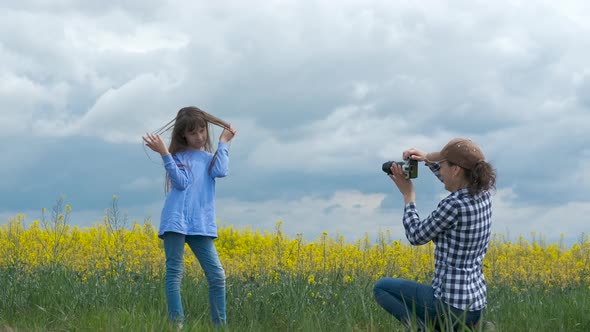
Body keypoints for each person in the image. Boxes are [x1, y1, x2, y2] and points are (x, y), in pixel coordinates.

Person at [373, 138, 496, 331]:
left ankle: (424, 329)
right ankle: (470, 327)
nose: (441, 169)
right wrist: (427, 159)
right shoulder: (483, 193)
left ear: (455, 169)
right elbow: (456, 179)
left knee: (382, 287)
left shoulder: (453, 205)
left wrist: (408, 196)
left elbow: (416, 236)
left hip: (450, 307)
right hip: (475, 307)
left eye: (444, 164)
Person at [142, 106, 237, 327]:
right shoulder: (176, 157)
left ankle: (219, 327)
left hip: (200, 224)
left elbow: (221, 170)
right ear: (183, 134)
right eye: (193, 132)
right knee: (174, 274)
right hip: (176, 221)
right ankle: (177, 325)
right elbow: (181, 182)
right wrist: (165, 153)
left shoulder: (209, 159)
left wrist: (224, 141)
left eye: (202, 130)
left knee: (217, 276)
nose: (200, 136)